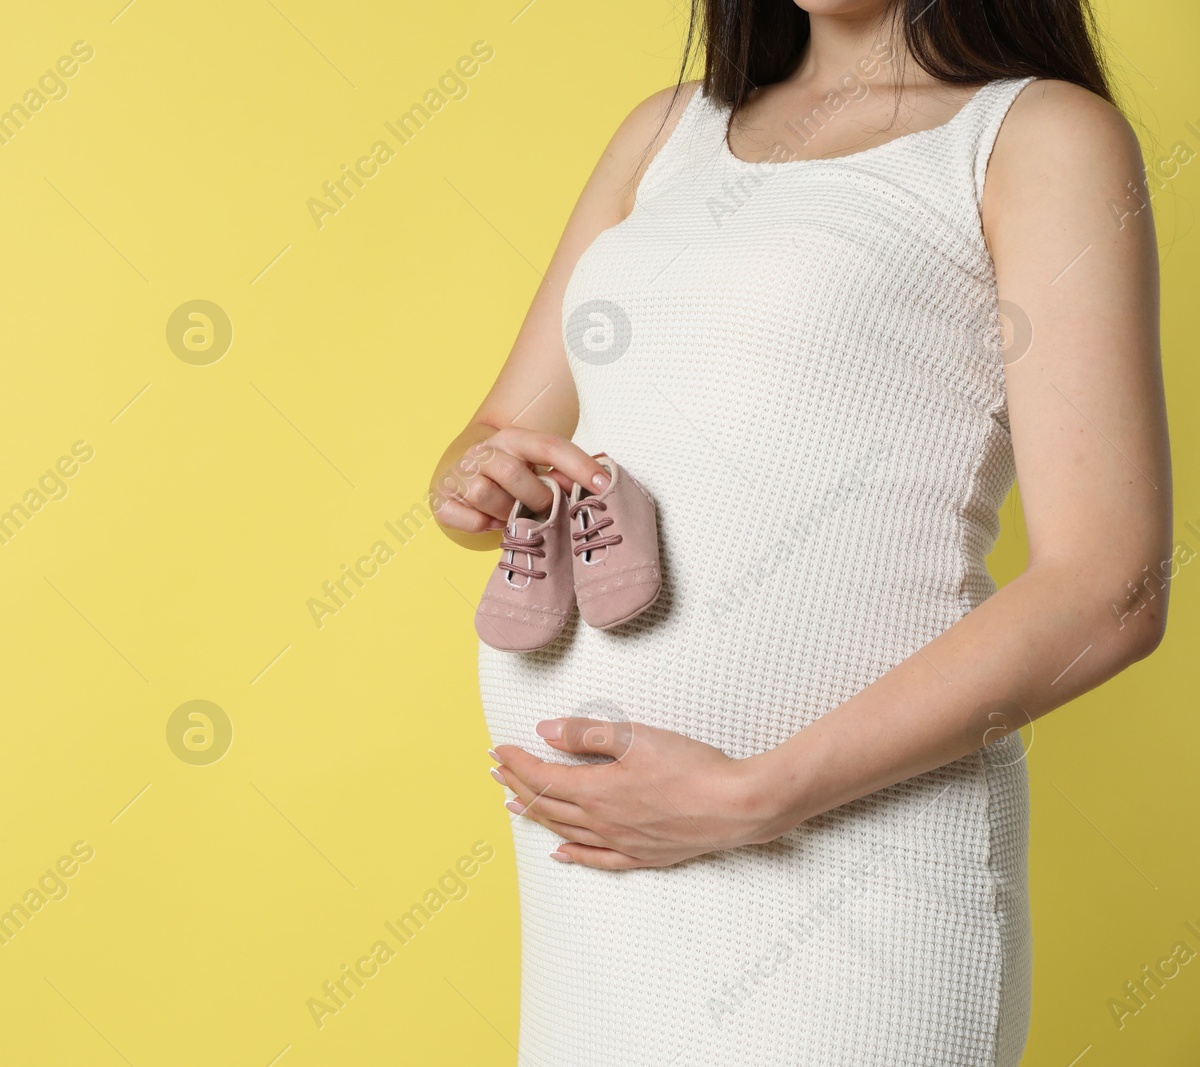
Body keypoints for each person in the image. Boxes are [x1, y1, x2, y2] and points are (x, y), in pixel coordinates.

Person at [427, 1, 1171, 1062]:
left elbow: (1110, 585)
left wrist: (747, 799)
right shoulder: (662, 133)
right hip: (595, 879)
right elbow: (502, 427)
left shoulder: (1033, 136)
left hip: (855, 880)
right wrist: (472, 476)